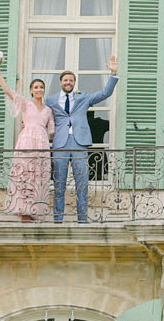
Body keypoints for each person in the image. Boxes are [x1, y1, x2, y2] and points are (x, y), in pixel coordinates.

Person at [46, 58, 117, 223]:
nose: (68, 82)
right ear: (60, 82)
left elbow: (105, 93)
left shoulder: (83, 97)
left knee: (82, 182)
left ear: (74, 83)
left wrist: (113, 73)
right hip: (60, 143)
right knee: (59, 182)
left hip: (79, 142)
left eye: (71, 80)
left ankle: (82, 219)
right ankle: (57, 219)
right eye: (65, 80)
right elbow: (40, 112)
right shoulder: (51, 100)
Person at [0, 63, 51, 221]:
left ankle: (35, 209)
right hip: (27, 140)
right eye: (36, 87)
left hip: (42, 143)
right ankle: (24, 211)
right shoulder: (25, 103)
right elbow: (8, 91)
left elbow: (51, 132)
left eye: (41, 87)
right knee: (24, 174)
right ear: (31, 90)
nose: (39, 89)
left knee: (38, 176)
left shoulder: (48, 110)